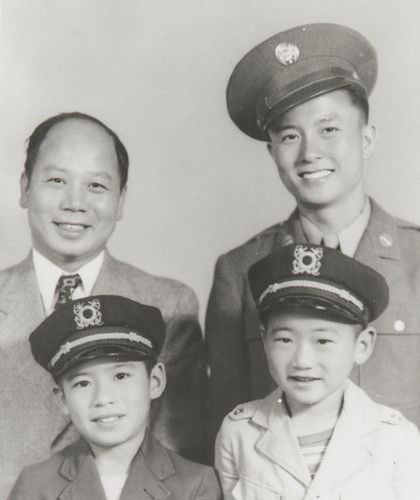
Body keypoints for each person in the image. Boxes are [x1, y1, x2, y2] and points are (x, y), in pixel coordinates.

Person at [206, 23, 420, 447]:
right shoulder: (239, 272)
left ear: (367, 138)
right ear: (272, 153)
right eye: (289, 136)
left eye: (329, 129)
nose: (309, 153)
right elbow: (225, 424)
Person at [0, 112, 207, 497]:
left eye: (96, 185)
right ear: (25, 187)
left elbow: (178, 458)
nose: (75, 202)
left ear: (121, 200)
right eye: (56, 180)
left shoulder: (168, 304)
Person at [215, 243, 420, 499]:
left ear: (363, 346)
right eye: (284, 340)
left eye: (322, 341)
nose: (302, 360)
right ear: (265, 341)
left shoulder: (395, 438)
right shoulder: (239, 431)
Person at [8, 295, 221, 500]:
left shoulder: (195, 484)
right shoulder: (34, 485)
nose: (103, 398)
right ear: (62, 399)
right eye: (83, 383)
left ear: (154, 381)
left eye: (121, 376)